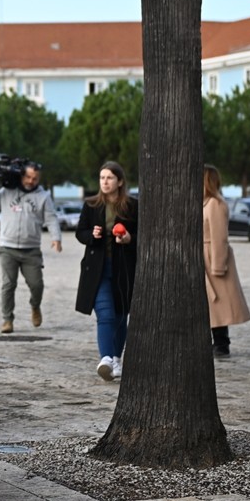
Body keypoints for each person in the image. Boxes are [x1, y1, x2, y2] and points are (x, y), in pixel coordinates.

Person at [75, 161, 139, 382]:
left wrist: (130, 238)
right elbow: (80, 232)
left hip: (123, 269)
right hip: (97, 271)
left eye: (109, 178)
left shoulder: (132, 206)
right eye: (102, 178)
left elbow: (144, 236)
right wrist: (92, 235)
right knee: (106, 315)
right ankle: (106, 359)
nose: (105, 182)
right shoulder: (91, 205)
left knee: (121, 316)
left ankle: (117, 359)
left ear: (119, 181)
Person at [0, 162, 61, 333]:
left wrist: (56, 238)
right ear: (21, 175)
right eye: (27, 177)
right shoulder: (7, 191)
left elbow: (51, 218)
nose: (31, 181)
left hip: (31, 249)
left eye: (35, 178)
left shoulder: (44, 196)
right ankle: (7, 320)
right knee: (8, 284)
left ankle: (35, 306)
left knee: (37, 284)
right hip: (8, 247)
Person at [202, 165, 250, 356]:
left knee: (217, 303)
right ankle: (218, 342)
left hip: (212, 256)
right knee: (210, 303)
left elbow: (219, 236)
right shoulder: (205, 203)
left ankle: (221, 343)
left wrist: (218, 265)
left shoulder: (215, 204)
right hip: (204, 255)